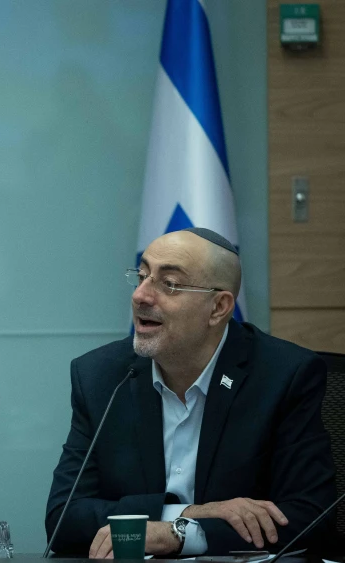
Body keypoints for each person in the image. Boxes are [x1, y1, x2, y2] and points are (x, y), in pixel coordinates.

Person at [45, 228, 336, 557]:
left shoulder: (283, 375)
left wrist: (180, 537)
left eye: (169, 284)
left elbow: (311, 518)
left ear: (218, 307)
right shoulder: (102, 376)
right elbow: (63, 520)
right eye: (141, 276)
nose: (140, 295)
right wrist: (185, 517)